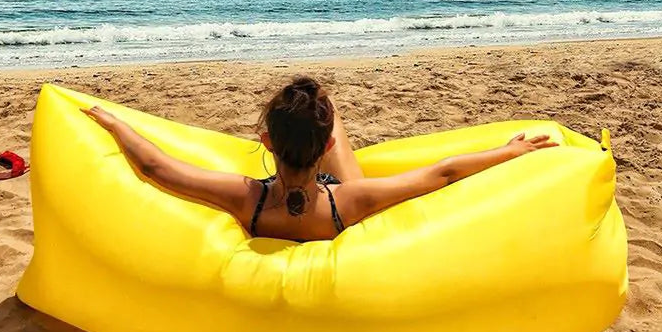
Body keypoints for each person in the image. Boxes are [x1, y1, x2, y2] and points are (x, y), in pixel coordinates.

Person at [81, 75, 556, 242]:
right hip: (327, 210)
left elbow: (157, 169)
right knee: (329, 113)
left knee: (318, 115)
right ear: (326, 150)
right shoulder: (352, 200)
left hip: (277, 201)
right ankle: (327, 114)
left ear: (265, 142)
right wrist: (510, 151)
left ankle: (313, 117)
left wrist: (115, 122)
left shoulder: (246, 198)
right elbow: (444, 173)